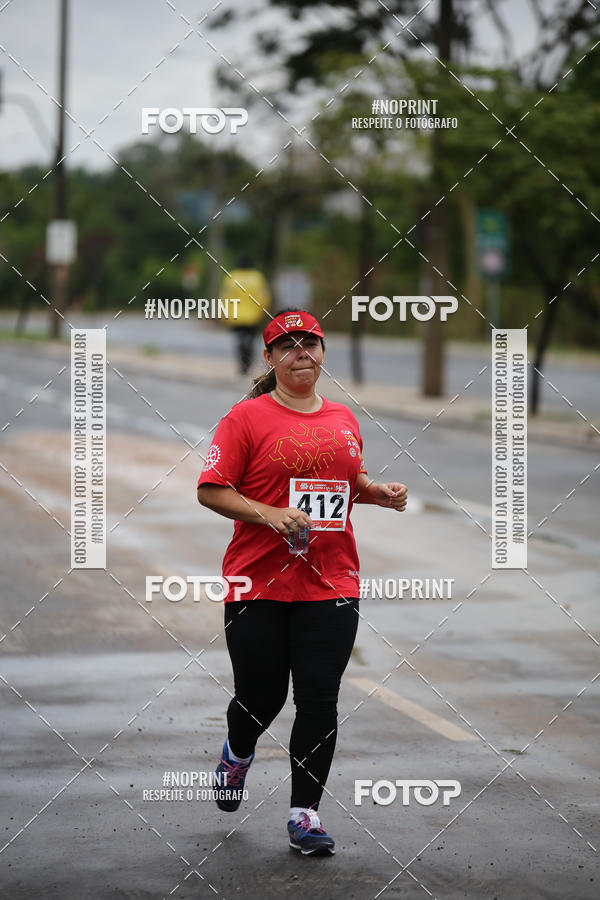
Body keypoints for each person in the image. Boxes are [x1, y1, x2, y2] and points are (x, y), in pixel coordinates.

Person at [196, 308, 407, 856]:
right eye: (287, 345)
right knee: (260, 699)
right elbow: (211, 489)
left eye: (309, 343)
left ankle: (304, 815)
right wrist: (269, 514)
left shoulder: (343, 418)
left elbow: (345, 481)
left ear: (322, 352)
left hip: (331, 581)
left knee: (319, 698)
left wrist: (375, 491)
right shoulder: (245, 418)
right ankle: (237, 753)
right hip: (258, 583)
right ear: (269, 358)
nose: (301, 353)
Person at [220, 255, 271, 375]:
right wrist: (263, 310)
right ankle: (248, 361)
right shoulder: (257, 278)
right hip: (253, 315)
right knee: (251, 340)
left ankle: (242, 362)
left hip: (236, 315)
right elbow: (263, 297)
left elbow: (225, 297)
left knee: (239, 339)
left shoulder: (231, 277)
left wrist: (224, 313)